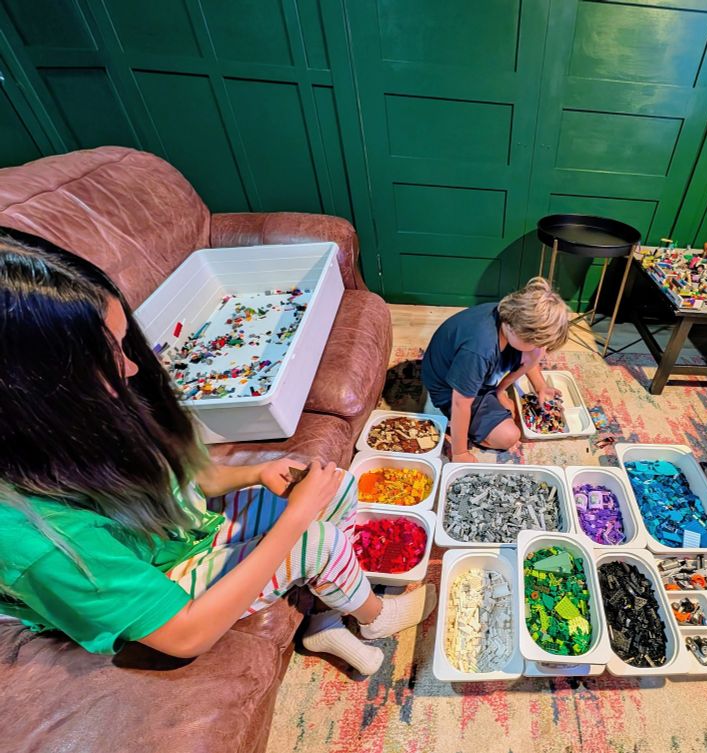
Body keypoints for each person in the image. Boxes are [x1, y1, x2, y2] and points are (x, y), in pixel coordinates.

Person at [0, 230, 434, 675]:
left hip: (182, 529)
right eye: (110, 354)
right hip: (170, 594)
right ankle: (376, 619)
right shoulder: (35, 538)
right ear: (31, 386)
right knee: (315, 540)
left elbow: (190, 477)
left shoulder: (85, 416)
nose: (130, 368)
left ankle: (324, 620)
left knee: (331, 483)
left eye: (123, 343)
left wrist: (258, 472)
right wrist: (294, 523)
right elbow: (184, 636)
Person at [421, 277, 570, 462]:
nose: (541, 349)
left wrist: (539, 386)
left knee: (536, 352)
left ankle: (496, 392)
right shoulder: (479, 351)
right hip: (448, 389)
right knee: (508, 436)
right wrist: (460, 452)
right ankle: (460, 430)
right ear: (521, 332)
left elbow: (534, 352)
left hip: (476, 371)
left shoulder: (511, 315)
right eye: (536, 342)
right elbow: (460, 403)